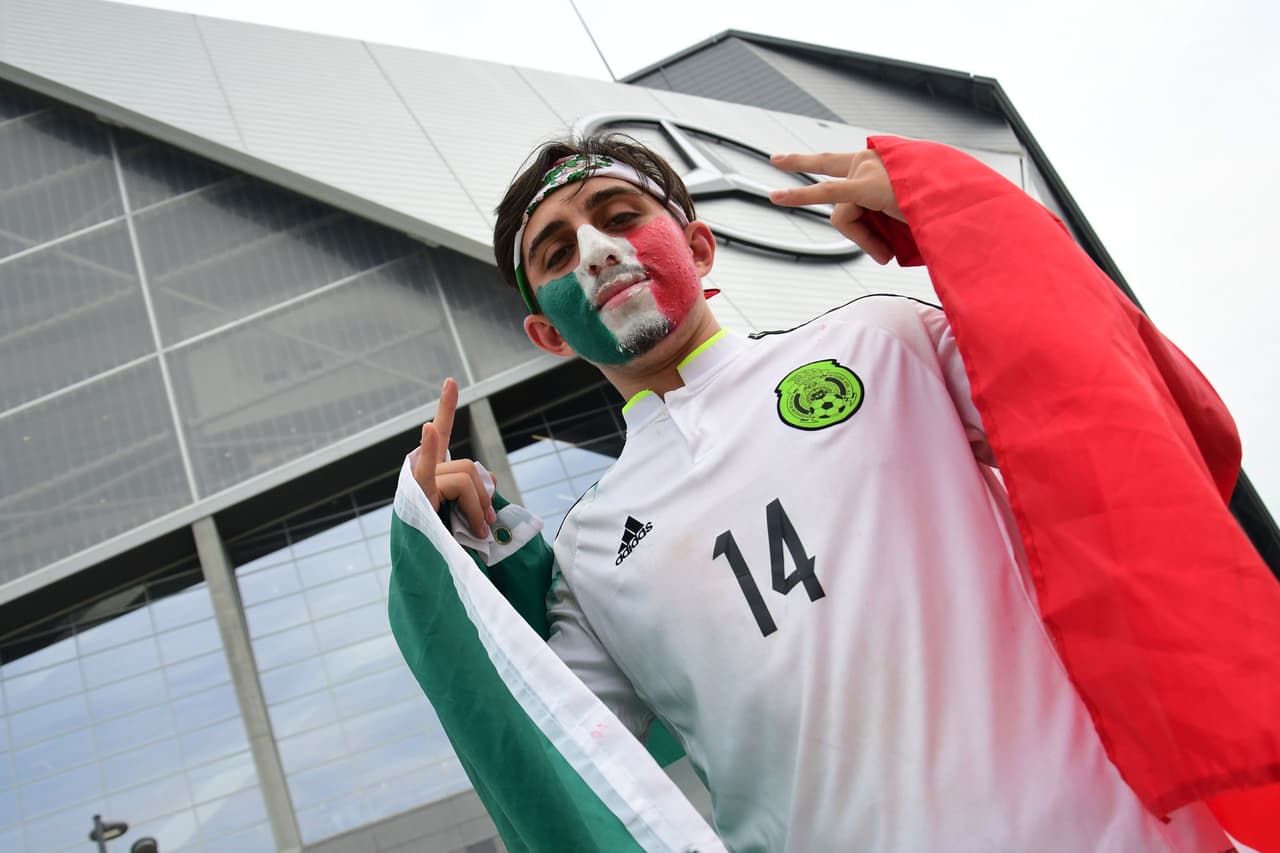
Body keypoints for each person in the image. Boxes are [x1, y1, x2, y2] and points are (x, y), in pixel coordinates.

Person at [388, 133, 1280, 852]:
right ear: (547, 330)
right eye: (557, 251)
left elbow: (1099, 385)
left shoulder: (883, 340)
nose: (598, 250)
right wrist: (464, 572)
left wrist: (953, 215)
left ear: (697, 245)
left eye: (621, 214)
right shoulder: (585, 555)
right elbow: (560, 752)